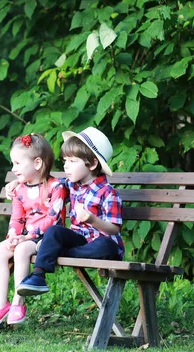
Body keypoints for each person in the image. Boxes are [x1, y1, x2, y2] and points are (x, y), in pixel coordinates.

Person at [12, 127, 125, 297]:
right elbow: (46, 185)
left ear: (92, 163)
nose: (66, 166)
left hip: (101, 242)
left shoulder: (108, 193)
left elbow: (114, 229)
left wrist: (93, 220)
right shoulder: (71, 185)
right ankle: (38, 276)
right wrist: (16, 184)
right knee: (54, 231)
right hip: (78, 240)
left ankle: (58, 250)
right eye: (65, 160)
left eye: (72, 161)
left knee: (107, 246)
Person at [0, 133, 67, 330]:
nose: (13, 169)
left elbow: (53, 218)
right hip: (24, 238)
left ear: (37, 163)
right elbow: (17, 218)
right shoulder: (19, 190)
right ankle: (1, 304)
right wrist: (13, 235)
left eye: (17, 163)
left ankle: (18, 303)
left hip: (47, 239)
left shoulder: (56, 187)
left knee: (22, 251)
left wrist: (26, 237)